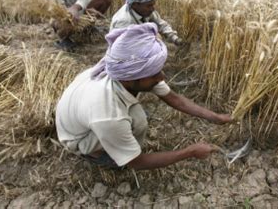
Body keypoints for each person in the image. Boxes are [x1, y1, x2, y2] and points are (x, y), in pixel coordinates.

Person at [55, 23, 232, 170]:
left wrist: (216, 117)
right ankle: (96, 154)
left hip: (82, 117)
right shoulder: (107, 113)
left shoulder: (127, 70)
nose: (161, 77)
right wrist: (190, 152)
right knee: (136, 120)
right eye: (155, 74)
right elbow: (136, 162)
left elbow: (175, 99)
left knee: (137, 117)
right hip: (78, 137)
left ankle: (113, 142)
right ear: (129, 79)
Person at [110, 0, 183, 46]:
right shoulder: (124, 22)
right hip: (126, 54)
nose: (153, 9)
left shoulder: (145, 10)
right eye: (149, 5)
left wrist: (175, 38)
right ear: (135, 4)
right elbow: (122, 49)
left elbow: (160, 24)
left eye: (153, 4)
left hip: (137, 48)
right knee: (157, 38)